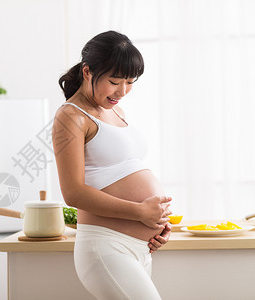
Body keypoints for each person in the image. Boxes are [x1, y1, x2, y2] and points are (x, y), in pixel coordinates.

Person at [52, 31, 172, 300]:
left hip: (139, 249)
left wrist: (156, 223)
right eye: (115, 81)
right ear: (87, 71)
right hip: (105, 246)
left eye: (130, 82)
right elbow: (73, 193)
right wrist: (140, 212)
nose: (123, 91)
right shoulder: (70, 116)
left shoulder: (116, 111)